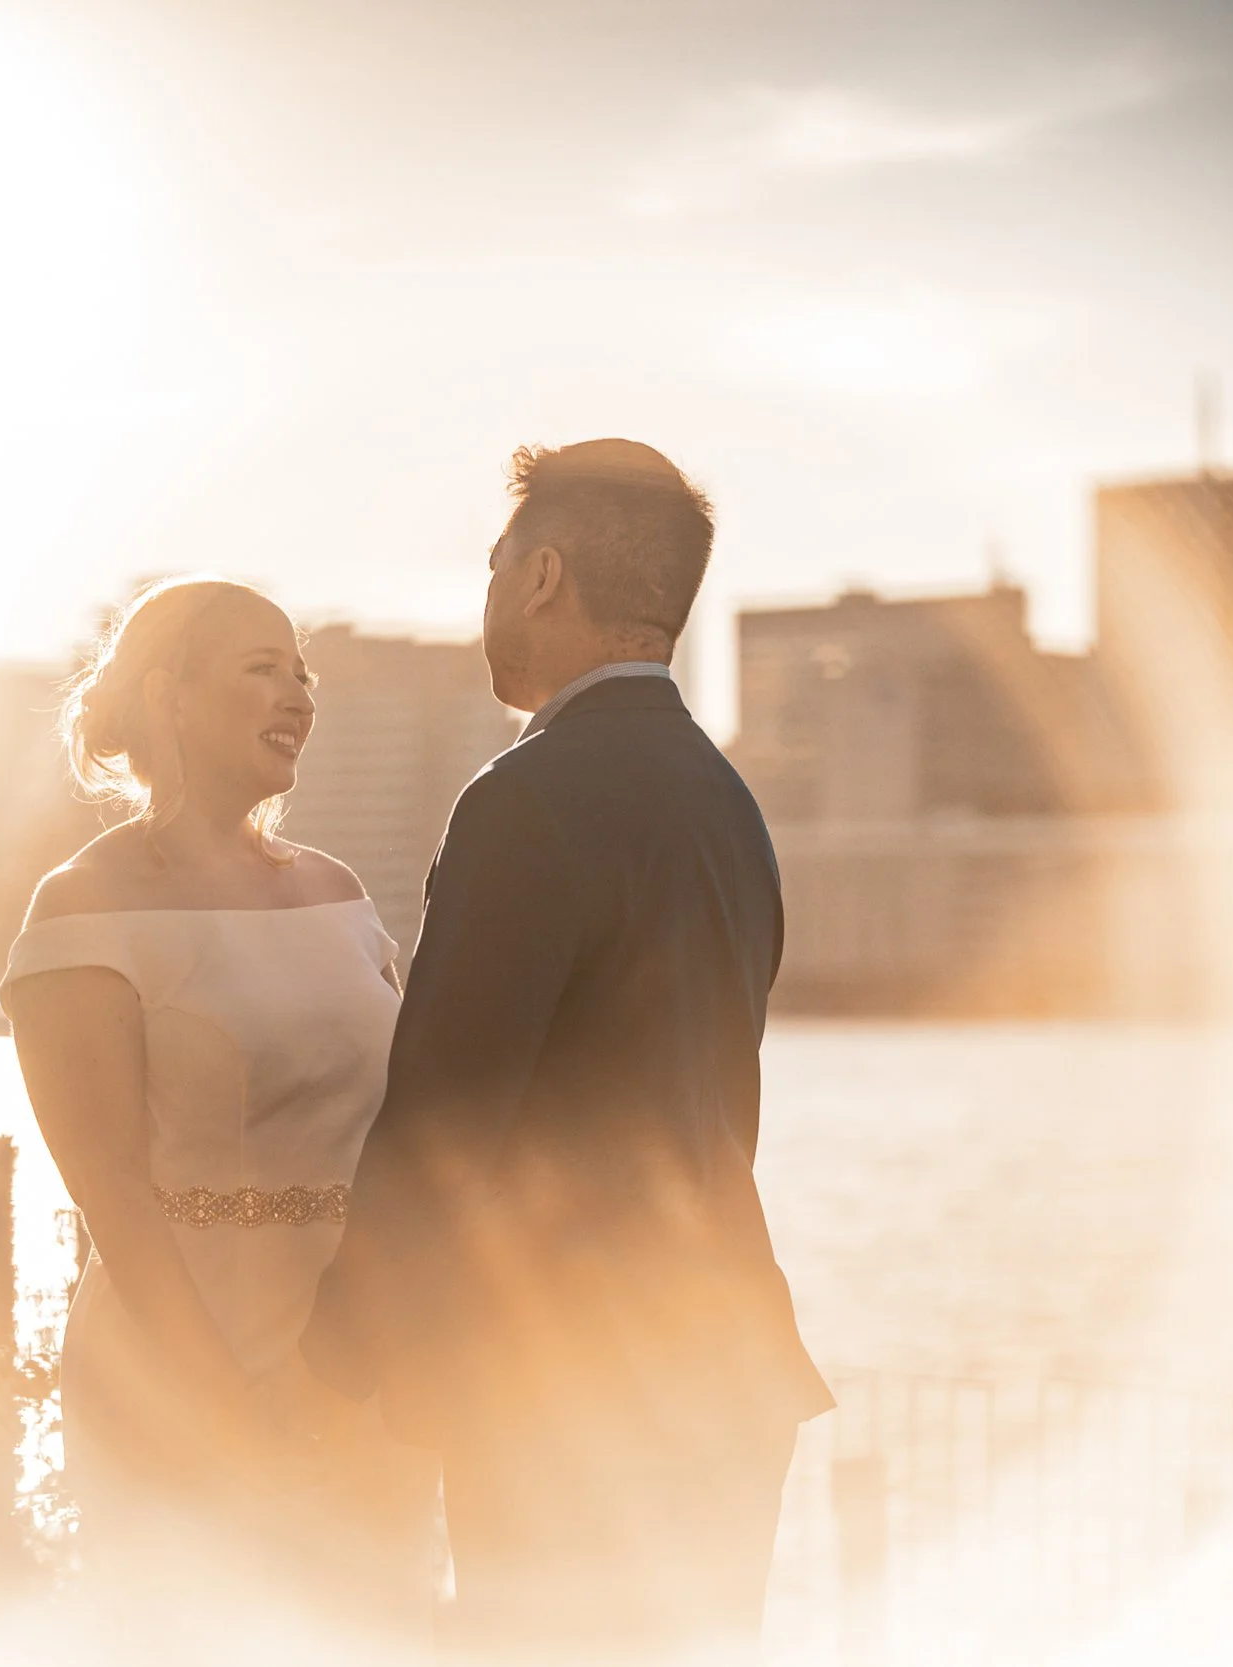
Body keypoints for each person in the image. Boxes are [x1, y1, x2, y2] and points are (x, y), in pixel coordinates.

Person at [300, 440, 834, 1662]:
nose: (488, 592)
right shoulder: (725, 802)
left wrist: (338, 1353)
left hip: (568, 1391)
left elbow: (445, 1113)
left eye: (495, 565)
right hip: (727, 1369)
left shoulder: (526, 795)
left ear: (542, 576)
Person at [0, 576, 437, 1658]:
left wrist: (376, 1356)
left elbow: (405, 1135)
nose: (299, 693)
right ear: (170, 694)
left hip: (360, 1369)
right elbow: (110, 1192)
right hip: (182, 1366)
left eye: (305, 673)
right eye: (262, 667)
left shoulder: (338, 891)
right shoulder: (80, 904)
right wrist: (229, 1410)